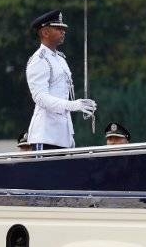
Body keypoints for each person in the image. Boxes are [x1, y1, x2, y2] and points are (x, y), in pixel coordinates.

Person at [24, 9, 97, 150]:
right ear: (45, 32)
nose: (63, 31)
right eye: (58, 28)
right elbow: (40, 97)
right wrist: (73, 105)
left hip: (63, 137)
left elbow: (63, 95)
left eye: (64, 29)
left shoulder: (60, 59)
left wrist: (70, 135)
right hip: (46, 135)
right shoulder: (39, 60)